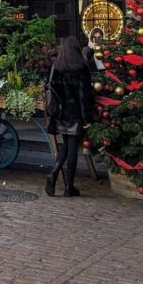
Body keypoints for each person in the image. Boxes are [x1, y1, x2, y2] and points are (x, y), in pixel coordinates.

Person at [45, 36, 95, 198]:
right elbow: (84, 96)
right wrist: (88, 117)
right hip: (75, 113)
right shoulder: (81, 67)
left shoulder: (56, 66)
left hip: (60, 113)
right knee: (72, 148)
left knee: (66, 145)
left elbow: (50, 87)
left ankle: (54, 173)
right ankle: (69, 187)